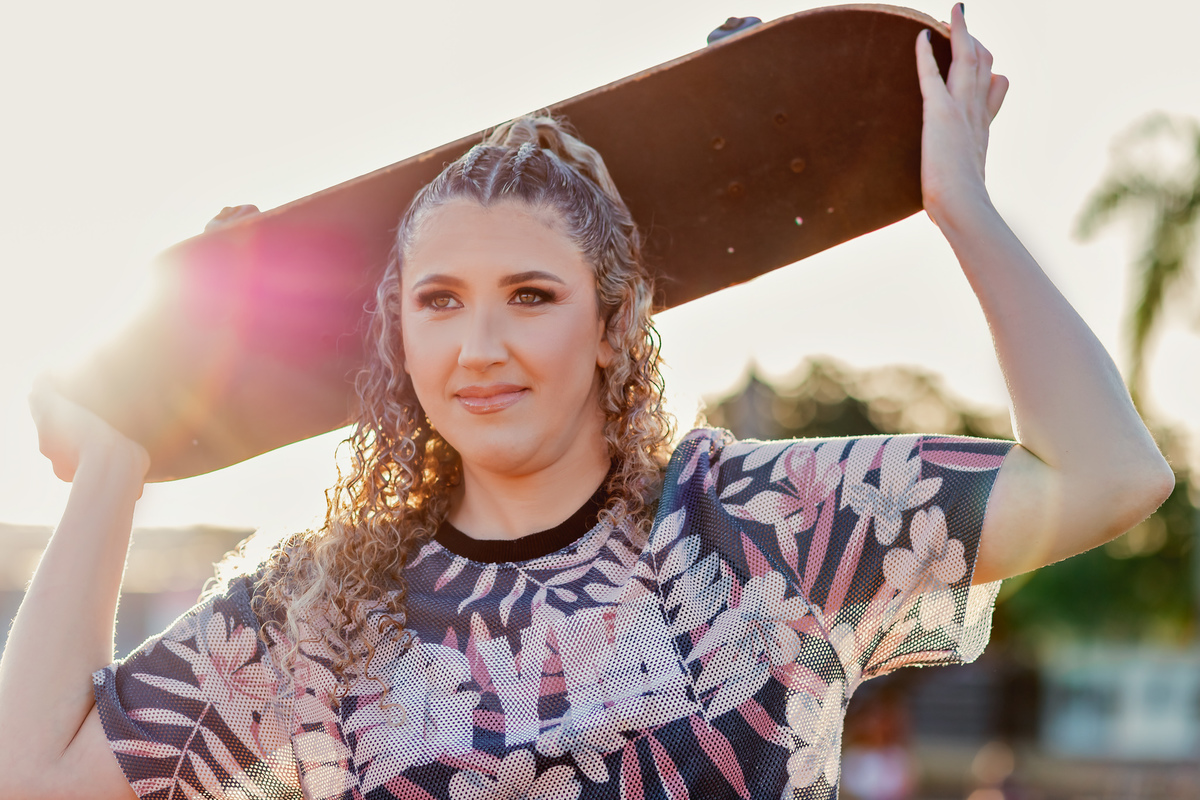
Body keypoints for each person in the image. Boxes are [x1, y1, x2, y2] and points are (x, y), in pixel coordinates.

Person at [0, 7, 1175, 800]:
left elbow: (1109, 477)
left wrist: (958, 203)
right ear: (398, 334)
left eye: (531, 295)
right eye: (441, 302)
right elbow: (28, 776)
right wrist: (124, 454)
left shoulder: (760, 526)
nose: (483, 345)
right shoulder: (314, 612)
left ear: (615, 326)